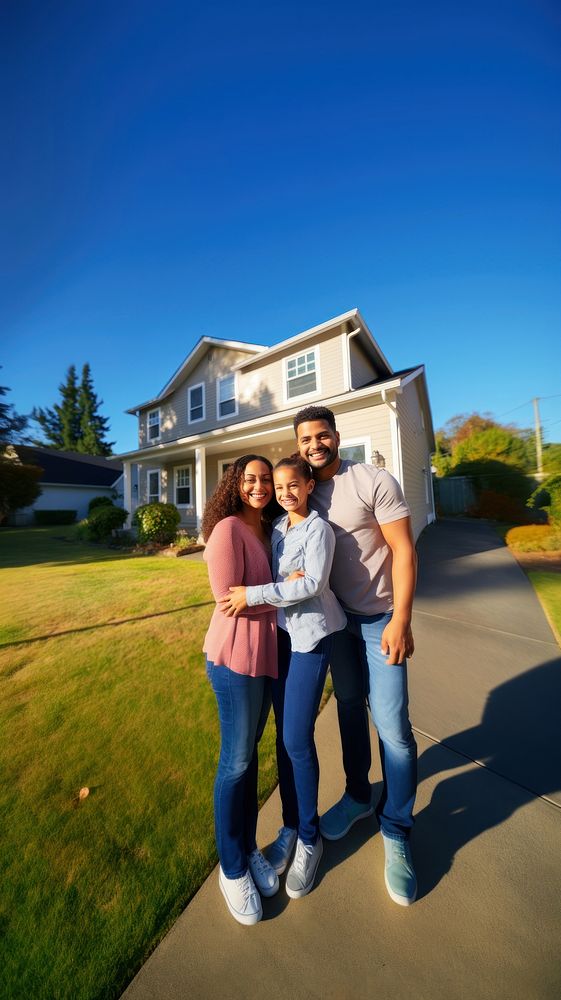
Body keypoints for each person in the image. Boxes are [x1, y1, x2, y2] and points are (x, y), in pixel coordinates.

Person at [294, 405, 419, 906]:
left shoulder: (372, 480)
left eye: (321, 436)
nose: (314, 445)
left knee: (393, 728)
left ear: (336, 437)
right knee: (348, 711)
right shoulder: (303, 493)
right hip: (338, 624)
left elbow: (404, 551)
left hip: (381, 619)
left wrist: (402, 620)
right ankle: (359, 796)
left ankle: (397, 828)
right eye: (305, 439)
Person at [220, 456, 347, 900]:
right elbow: (281, 580)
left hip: (310, 639)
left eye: (294, 484)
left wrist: (263, 590)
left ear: (309, 485)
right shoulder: (275, 530)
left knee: (296, 739)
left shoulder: (318, 530)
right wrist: (282, 582)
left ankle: (310, 840)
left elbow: (309, 584)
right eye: (278, 485)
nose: (285, 492)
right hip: (279, 639)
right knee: (279, 740)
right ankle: (291, 826)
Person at [201, 454, 281, 926]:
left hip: (265, 656)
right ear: (235, 483)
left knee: (249, 758)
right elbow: (227, 600)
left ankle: (249, 847)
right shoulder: (228, 530)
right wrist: (282, 591)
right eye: (250, 479)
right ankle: (230, 869)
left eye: (265, 479)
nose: (259, 486)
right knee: (235, 762)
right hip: (234, 659)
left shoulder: (267, 529)